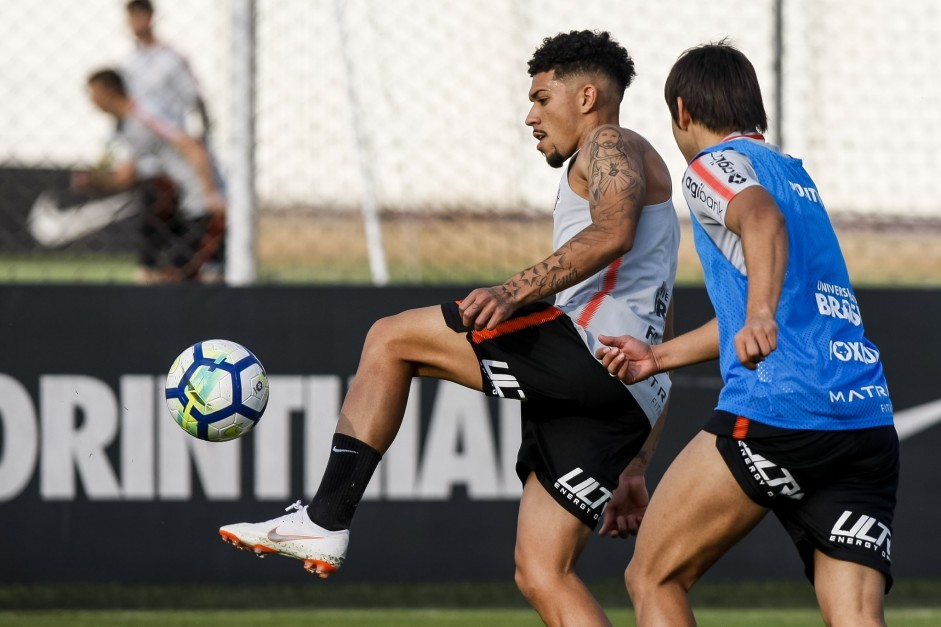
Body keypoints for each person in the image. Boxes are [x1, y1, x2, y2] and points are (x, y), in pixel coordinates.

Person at [219, 30, 680, 626]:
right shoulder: (635, 174)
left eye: (542, 98)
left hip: (589, 352)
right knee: (542, 572)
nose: (530, 117)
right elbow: (662, 321)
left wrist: (511, 291)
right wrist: (637, 463)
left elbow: (613, 229)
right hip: (629, 388)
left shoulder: (609, 143)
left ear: (587, 96)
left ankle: (325, 519)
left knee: (391, 338)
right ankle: (322, 522)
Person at [597, 41, 898, 627]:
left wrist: (759, 312)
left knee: (652, 576)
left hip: (780, 412)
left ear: (683, 111)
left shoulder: (712, 166)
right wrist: (658, 356)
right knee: (857, 618)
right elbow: (762, 303)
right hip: (864, 423)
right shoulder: (796, 174)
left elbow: (759, 219)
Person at [73, 69, 225, 283]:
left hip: (204, 204)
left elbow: (193, 148)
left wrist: (211, 193)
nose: (91, 102)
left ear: (105, 92)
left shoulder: (146, 114)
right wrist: (95, 181)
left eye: (92, 94)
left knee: (194, 276)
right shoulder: (130, 125)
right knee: (190, 275)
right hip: (189, 205)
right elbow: (126, 176)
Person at [124, 0, 210, 140]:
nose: (132, 22)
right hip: (144, 137)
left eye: (137, 15)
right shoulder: (130, 62)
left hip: (174, 135)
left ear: (149, 16)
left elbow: (194, 97)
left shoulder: (171, 58)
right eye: (130, 17)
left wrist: (200, 136)